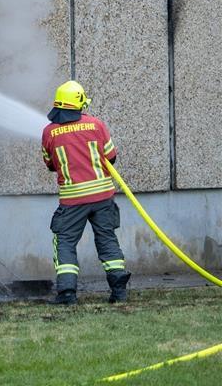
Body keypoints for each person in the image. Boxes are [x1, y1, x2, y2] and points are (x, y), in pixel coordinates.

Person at [41, 80, 130, 305]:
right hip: (103, 196)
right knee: (107, 238)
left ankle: (67, 294)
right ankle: (119, 290)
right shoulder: (96, 125)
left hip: (73, 200)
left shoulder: (49, 132)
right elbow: (111, 157)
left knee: (65, 242)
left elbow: (50, 165)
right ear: (80, 104)